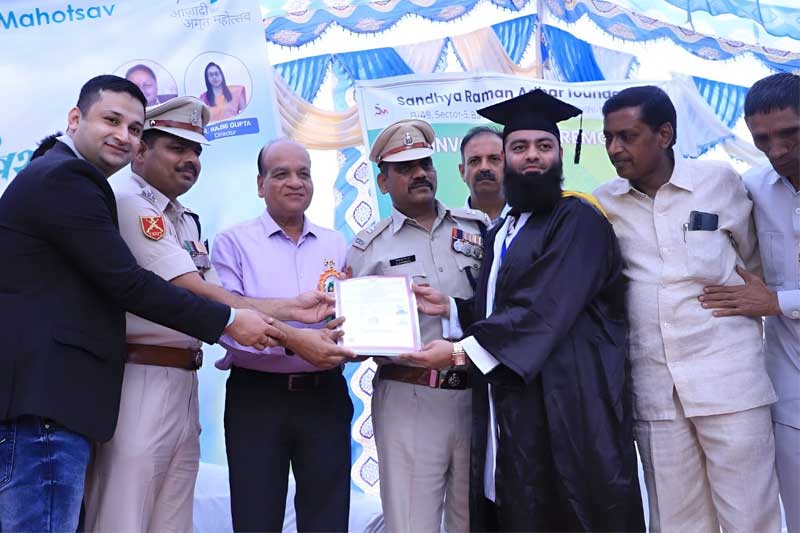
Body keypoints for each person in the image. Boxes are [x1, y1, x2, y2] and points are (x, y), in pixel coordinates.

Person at [0, 75, 277, 532]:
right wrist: (229, 321)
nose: (123, 136)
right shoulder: (68, 179)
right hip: (45, 404)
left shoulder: (62, 176)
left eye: (132, 127)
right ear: (75, 119)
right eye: (111, 121)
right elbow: (129, 284)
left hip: (54, 403)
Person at [82, 98, 346, 532]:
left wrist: (290, 308)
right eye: (176, 148)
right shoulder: (130, 203)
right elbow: (197, 291)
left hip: (185, 376)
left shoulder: (183, 218)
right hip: (143, 374)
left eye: (196, 150)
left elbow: (219, 299)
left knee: (171, 517)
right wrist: (296, 334)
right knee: (125, 513)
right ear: (141, 151)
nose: (189, 159)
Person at [408, 90, 644, 532]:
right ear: (506, 160)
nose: (532, 155)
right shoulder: (504, 229)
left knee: (568, 508)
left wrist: (460, 353)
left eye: (543, 146)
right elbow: (503, 307)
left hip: (571, 402)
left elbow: (543, 308)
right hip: (516, 402)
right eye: (519, 147)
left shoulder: (578, 220)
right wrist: (454, 309)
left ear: (559, 155)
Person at [593, 85, 780, 532]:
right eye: (609, 138)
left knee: (750, 517)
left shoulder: (719, 182)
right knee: (676, 522)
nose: (615, 149)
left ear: (664, 135)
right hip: (655, 391)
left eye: (628, 136)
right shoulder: (605, 203)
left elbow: (753, 265)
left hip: (731, 383)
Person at [347, 118, 489, 533]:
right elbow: (351, 331)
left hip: (477, 393)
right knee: (413, 522)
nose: (420, 174)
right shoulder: (369, 248)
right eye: (406, 168)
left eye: (425, 164)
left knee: (475, 521)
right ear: (383, 182)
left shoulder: (477, 229)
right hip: (410, 395)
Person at [211, 138, 356, 532]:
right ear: (261, 185)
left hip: (324, 395)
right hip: (258, 397)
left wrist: (359, 335)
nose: (295, 182)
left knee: (328, 518)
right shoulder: (232, 242)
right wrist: (296, 338)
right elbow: (231, 325)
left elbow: (347, 315)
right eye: (281, 174)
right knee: (256, 516)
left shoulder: (335, 242)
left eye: (303, 173)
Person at [700, 72, 800, 533]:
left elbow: (770, 297)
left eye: (789, 134)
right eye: (762, 139)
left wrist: (778, 302)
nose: (776, 150)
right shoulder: (754, 187)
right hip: (790, 394)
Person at [459, 125, 509, 227]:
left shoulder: (528, 221)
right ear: (462, 172)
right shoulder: (450, 226)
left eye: (494, 159)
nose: (484, 167)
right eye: (474, 161)